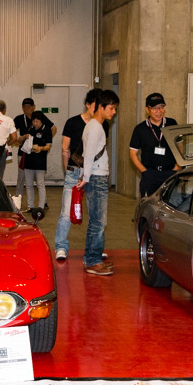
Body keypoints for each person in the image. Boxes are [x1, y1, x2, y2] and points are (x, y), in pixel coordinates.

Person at [54, 89, 101, 263]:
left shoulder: (102, 124)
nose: (98, 111)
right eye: (95, 107)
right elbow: (65, 148)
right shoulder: (73, 122)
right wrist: (69, 170)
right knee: (66, 211)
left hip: (94, 172)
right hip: (75, 171)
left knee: (95, 214)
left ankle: (93, 249)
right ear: (88, 104)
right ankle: (60, 246)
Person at [79, 90, 119, 275]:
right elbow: (88, 155)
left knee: (96, 221)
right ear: (100, 107)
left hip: (95, 177)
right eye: (111, 108)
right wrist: (86, 178)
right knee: (99, 222)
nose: (113, 112)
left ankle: (91, 258)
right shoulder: (95, 127)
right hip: (96, 178)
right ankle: (93, 261)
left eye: (115, 109)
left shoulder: (94, 125)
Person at [129, 92, 180, 197]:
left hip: (170, 173)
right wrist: (144, 171)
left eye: (161, 107)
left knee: (171, 206)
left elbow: (180, 145)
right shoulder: (140, 129)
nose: (159, 111)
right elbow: (133, 153)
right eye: (155, 108)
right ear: (147, 110)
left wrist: (177, 166)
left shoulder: (172, 124)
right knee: (149, 207)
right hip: (150, 174)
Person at [14, 98, 56, 196]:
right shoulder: (19, 119)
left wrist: (45, 141)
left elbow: (53, 128)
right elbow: (11, 133)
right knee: (21, 178)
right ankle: (17, 201)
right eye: (24, 107)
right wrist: (17, 140)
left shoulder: (40, 117)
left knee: (39, 181)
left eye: (29, 106)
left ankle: (43, 203)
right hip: (24, 153)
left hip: (38, 153)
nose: (27, 109)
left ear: (34, 107)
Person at [19, 113, 52, 210]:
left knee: (40, 184)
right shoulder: (30, 129)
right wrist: (25, 136)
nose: (35, 123)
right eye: (34, 121)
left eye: (38, 121)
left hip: (40, 161)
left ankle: (41, 206)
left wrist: (41, 148)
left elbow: (48, 146)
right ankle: (31, 206)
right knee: (28, 184)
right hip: (28, 160)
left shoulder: (46, 130)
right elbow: (19, 140)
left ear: (42, 121)